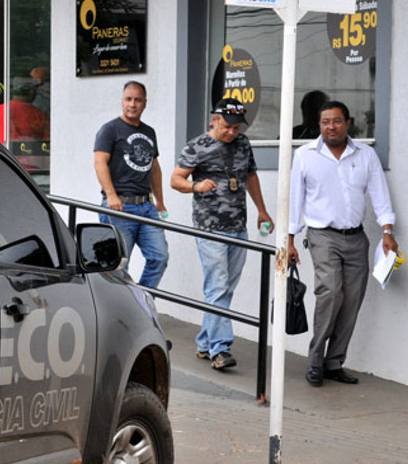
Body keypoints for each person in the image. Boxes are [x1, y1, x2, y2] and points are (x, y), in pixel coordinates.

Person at [287, 100, 398, 387]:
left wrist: (387, 231)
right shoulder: (305, 155)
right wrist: (289, 240)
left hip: (356, 237)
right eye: (325, 122)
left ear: (347, 123)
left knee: (351, 300)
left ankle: (334, 362)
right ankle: (315, 361)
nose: (331, 127)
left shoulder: (365, 155)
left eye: (336, 121)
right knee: (330, 293)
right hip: (322, 236)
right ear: (319, 125)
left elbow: (380, 194)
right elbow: (295, 200)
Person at [170, 98, 274, 371]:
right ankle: (221, 349)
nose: (231, 133)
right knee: (217, 285)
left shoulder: (243, 144)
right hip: (209, 228)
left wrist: (262, 210)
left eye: (236, 128)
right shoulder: (197, 146)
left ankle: (205, 342)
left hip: (238, 226)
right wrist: (196, 186)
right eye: (227, 126)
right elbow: (175, 180)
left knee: (225, 288)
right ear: (215, 120)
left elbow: (251, 176)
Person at [93, 81, 169, 288]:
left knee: (159, 258)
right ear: (122, 101)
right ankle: (118, 312)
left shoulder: (149, 132)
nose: (132, 104)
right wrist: (111, 195)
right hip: (119, 207)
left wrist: (160, 201)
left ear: (145, 103)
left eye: (137, 100)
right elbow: (100, 162)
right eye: (128, 99)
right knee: (117, 266)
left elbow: (154, 167)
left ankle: (141, 301)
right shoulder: (110, 129)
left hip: (146, 206)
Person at [0, 76, 49, 143]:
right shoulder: (41, 115)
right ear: (32, 92)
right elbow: (49, 145)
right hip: (33, 152)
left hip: (4, 153)